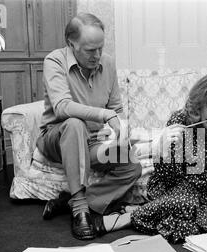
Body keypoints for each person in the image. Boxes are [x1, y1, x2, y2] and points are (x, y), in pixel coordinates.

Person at [103, 69, 207, 243]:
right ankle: (123, 220)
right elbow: (168, 178)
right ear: (200, 103)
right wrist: (166, 148)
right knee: (186, 201)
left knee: (197, 227)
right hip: (177, 187)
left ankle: (135, 211)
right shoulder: (180, 120)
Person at [36, 13, 142, 240]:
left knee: (131, 166)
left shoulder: (108, 63)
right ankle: (80, 210)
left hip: (94, 142)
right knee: (74, 124)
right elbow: (62, 107)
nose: (97, 56)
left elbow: (116, 108)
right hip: (58, 137)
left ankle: (69, 200)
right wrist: (106, 115)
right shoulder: (54, 61)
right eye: (90, 50)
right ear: (71, 44)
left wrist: (121, 131)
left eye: (100, 49)